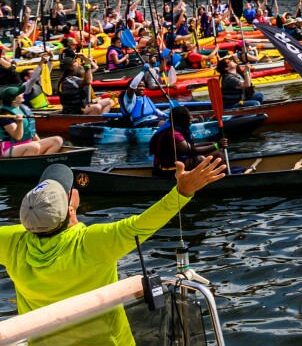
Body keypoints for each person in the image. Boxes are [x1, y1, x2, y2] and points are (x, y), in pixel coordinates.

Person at [0, 158, 225, 344]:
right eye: (69, 190)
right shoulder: (92, 243)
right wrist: (182, 191)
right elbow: (141, 225)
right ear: (70, 209)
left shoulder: (11, 242)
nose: (74, 187)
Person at [150, 106, 227, 175]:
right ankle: (205, 182)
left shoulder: (180, 129)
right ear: (181, 119)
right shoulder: (173, 134)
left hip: (180, 160)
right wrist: (217, 145)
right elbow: (190, 150)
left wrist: (213, 144)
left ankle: (223, 176)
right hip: (166, 168)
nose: (191, 117)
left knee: (217, 154)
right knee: (200, 160)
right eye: (188, 116)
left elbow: (191, 146)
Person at [0, 86, 63, 157]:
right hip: (10, 148)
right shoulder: (5, 114)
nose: (22, 94)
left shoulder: (23, 108)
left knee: (57, 140)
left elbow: (32, 131)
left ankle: (42, 162)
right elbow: (17, 137)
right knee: (34, 146)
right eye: (19, 94)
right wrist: (20, 122)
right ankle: (33, 165)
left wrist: (39, 142)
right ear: (13, 100)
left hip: (28, 144)